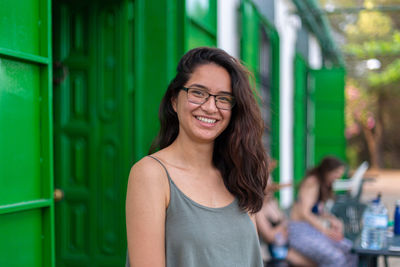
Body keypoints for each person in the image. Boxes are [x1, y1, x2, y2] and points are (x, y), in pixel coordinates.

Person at [126, 47, 269, 267]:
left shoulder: (238, 173)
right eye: (198, 93)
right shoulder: (151, 174)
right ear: (175, 100)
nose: (210, 107)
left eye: (223, 98)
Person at [288, 156, 358, 267]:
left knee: (351, 250)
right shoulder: (312, 182)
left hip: (310, 230)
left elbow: (316, 211)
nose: (338, 177)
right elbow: (304, 212)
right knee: (336, 258)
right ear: (327, 171)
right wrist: (325, 230)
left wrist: (333, 220)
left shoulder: (321, 184)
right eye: (336, 173)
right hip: (300, 232)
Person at [256, 161, 315, 267]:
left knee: (314, 257)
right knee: (310, 263)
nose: (271, 188)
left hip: (285, 244)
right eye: (269, 185)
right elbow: (269, 236)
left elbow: (285, 222)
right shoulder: (258, 209)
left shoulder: (273, 202)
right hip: (273, 251)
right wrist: (284, 225)